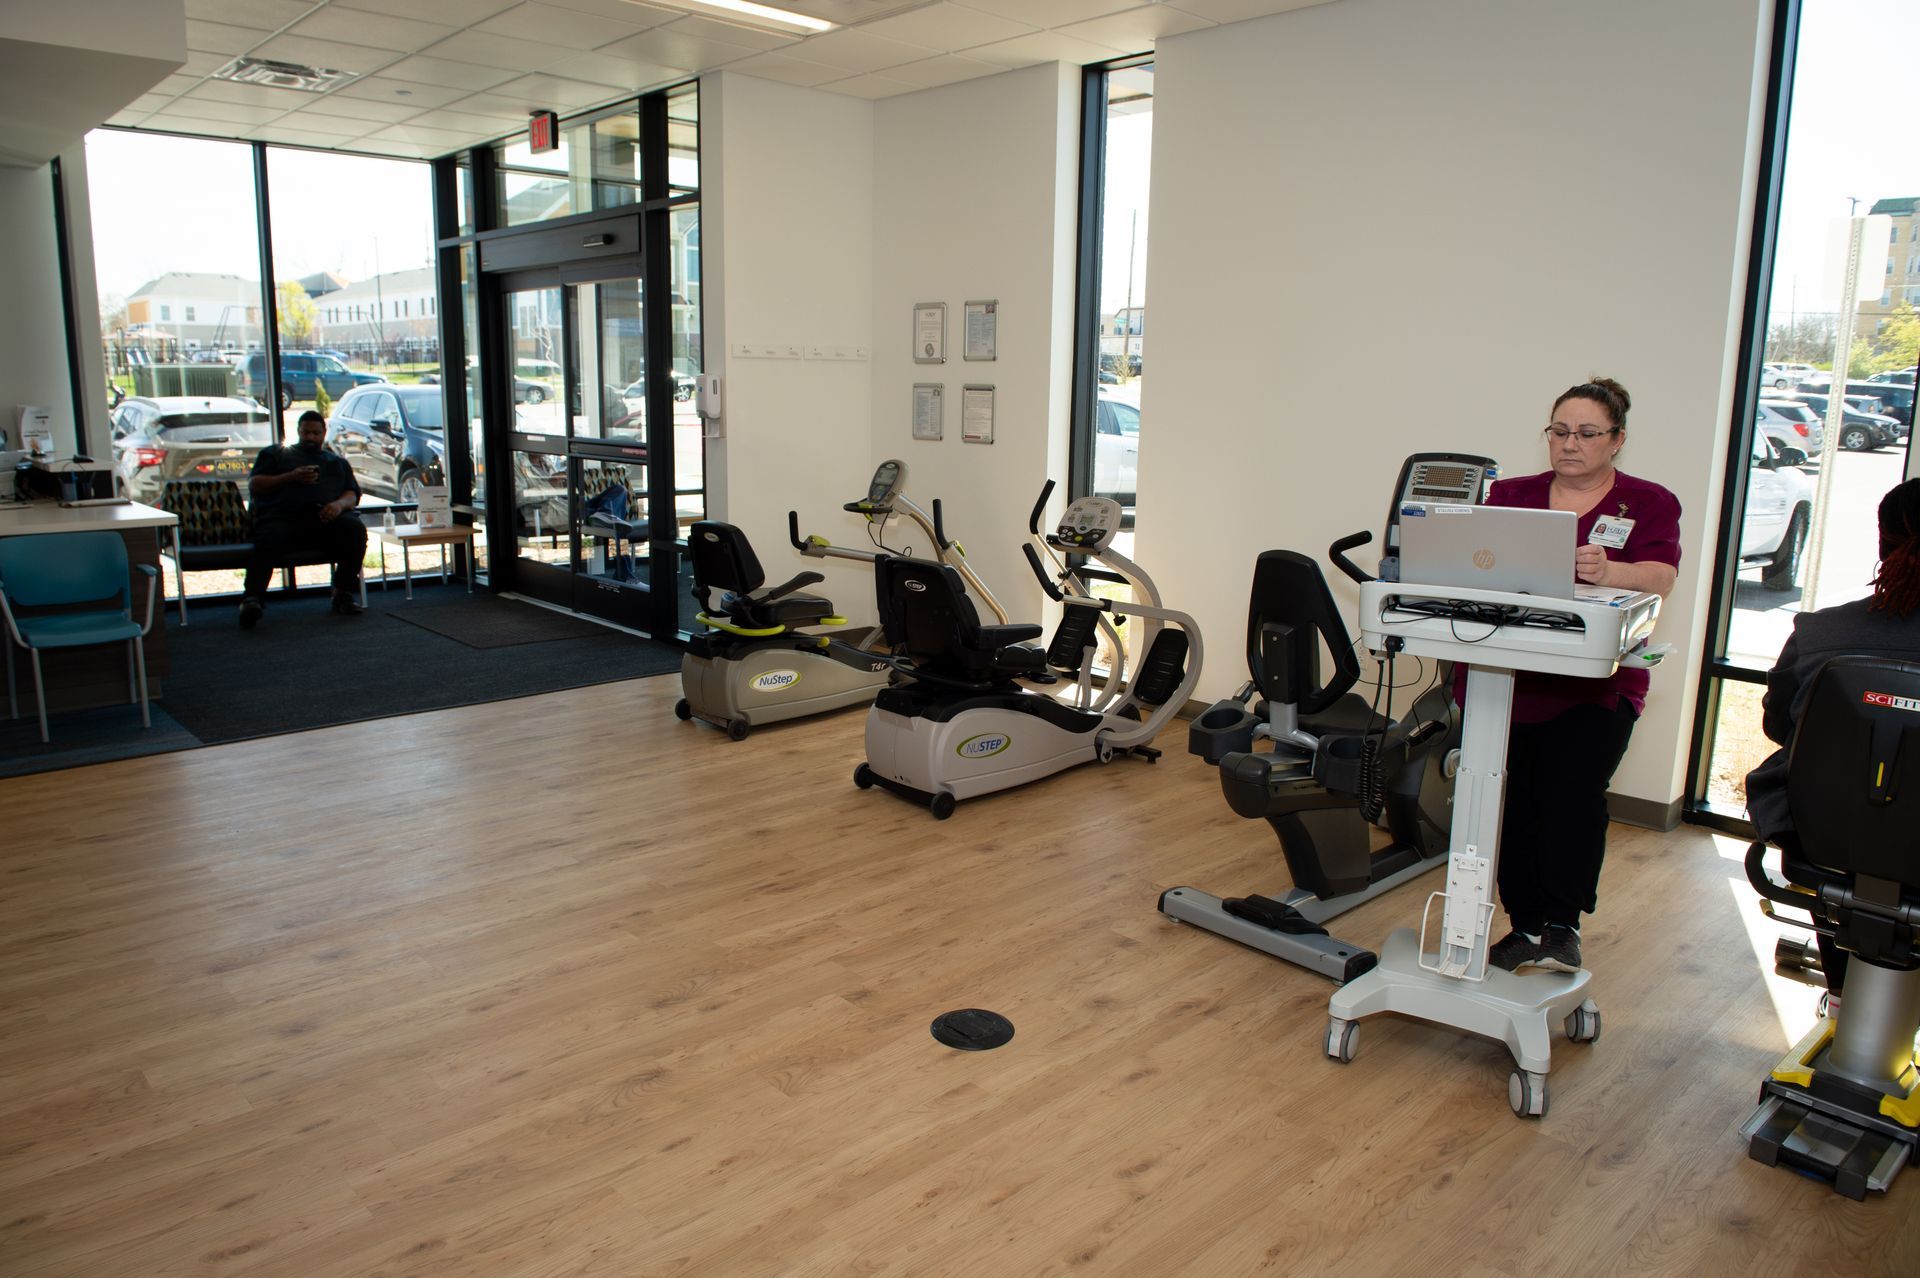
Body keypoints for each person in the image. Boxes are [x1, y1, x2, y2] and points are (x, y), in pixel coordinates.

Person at [1478, 377, 1683, 973]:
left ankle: (1562, 924)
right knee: (1517, 800)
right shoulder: (1511, 494)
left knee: (1571, 797)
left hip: (1596, 680)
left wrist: (1611, 570)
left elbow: (1662, 577)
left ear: (1616, 440)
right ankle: (1523, 924)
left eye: (1588, 433)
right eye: (1560, 431)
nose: (1570, 444)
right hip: (1512, 673)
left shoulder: (1648, 502)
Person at [1743, 478, 1920, 1005]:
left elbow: (1780, 728)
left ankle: (1841, 996)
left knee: (1849, 827)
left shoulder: (1819, 633)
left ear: (1882, 543)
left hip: (1827, 839)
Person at [238, 410, 366, 627]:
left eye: (316, 433)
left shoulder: (336, 462)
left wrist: (338, 505)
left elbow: (351, 494)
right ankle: (252, 599)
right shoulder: (276, 455)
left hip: (324, 521)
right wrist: (291, 477)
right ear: (298, 431)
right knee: (269, 535)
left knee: (354, 529)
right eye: (306, 432)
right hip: (283, 519)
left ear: (324, 434)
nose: (311, 437)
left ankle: (342, 592)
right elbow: (255, 484)